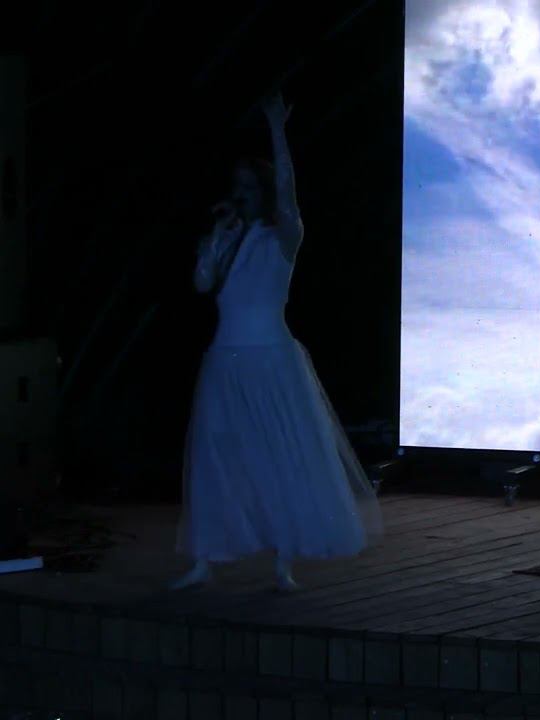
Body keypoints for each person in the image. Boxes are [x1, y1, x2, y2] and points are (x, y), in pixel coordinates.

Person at [171, 92, 383, 592]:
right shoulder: (229, 237)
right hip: (226, 359)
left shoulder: (283, 236)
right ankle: (205, 560)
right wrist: (215, 238)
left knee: (281, 455)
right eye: (237, 186)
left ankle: (283, 560)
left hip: (272, 358)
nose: (241, 193)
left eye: (249, 186)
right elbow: (202, 284)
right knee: (217, 458)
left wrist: (277, 130)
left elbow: (289, 192)